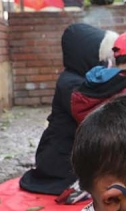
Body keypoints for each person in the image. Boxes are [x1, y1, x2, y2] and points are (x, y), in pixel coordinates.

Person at [19, 24, 118, 196]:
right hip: (60, 157)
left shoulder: (81, 79)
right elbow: (94, 116)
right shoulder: (70, 83)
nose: (107, 62)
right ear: (88, 54)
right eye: (103, 56)